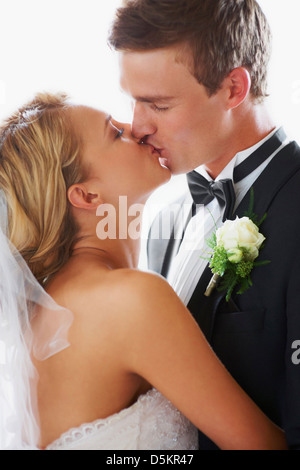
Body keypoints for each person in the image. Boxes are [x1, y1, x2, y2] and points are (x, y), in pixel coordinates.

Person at [0, 92, 287, 450]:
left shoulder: (49, 307)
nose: (135, 129)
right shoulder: (129, 299)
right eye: (114, 133)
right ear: (87, 197)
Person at [108, 0, 300, 450]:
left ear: (234, 87)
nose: (137, 127)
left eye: (158, 104)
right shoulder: (166, 217)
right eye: (132, 101)